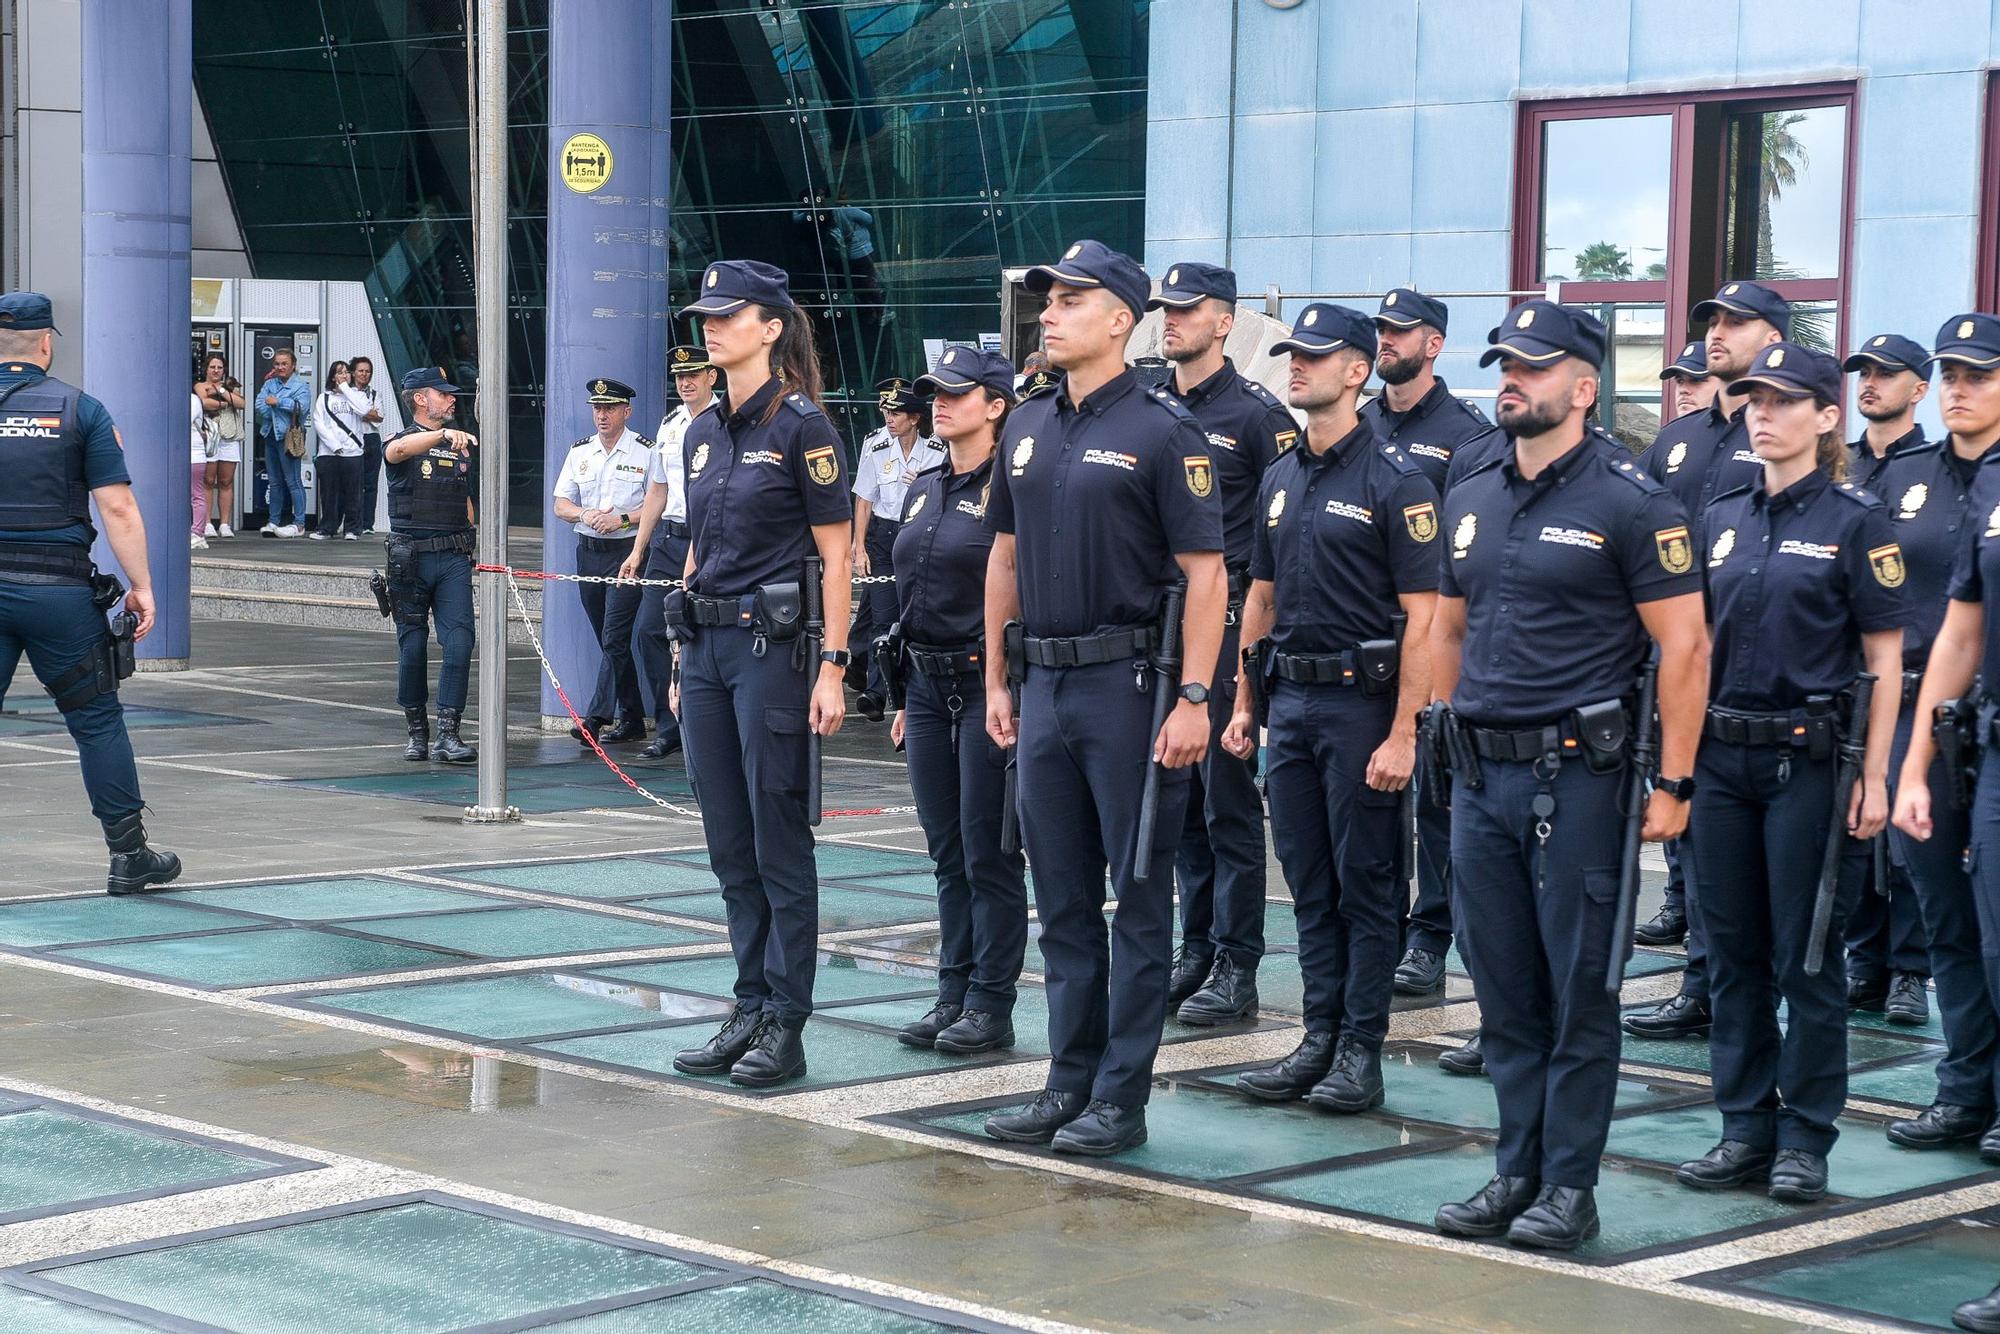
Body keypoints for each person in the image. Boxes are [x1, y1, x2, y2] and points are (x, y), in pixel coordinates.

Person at [1430, 300, 1707, 1249]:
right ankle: (1516, 1171)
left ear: (1585, 389)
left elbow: (1685, 648)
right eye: (1506, 363)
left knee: (1578, 990)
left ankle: (1569, 1189)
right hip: (1480, 779)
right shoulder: (1470, 494)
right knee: (1503, 987)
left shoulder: (1632, 502)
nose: (1513, 378)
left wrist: (1672, 786)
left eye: (1535, 367)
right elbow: (1448, 629)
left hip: (1579, 783)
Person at [980, 239, 1226, 1156]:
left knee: (1137, 894)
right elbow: (1002, 558)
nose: (1048, 312)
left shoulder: (1164, 431)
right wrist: (998, 676)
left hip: (1129, 688)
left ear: (1122, 318)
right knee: (1066, 902)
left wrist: (1195, 696)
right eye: (1047, 300)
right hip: (1043, 686)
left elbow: (1209, 576)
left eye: (1070, 300)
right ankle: (1066, 1082)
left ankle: (1120, 1098)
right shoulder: (1027, 424)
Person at [1674, 342, 1907, 1205]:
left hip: (1809, 762)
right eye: (1752, 400)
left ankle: (1804, 1138)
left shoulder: (1855, 521)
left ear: (1826, 416)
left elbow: (1885, 658)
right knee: (1732, 955)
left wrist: (1875, 778)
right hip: (1722, 761)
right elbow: (1691, 646)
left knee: (1805, 961)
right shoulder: (1722, 515)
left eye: (1780, 401)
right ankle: (1744, 1127)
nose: (1760, 413)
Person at [1222, 303, 1439, 1108]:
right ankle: (1316, 1038)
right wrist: (1246, 702)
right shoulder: (1280, 477)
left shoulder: (1397, 480)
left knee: (1367, 884)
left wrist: (1405, 732)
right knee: (1308, 881)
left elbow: (1426, 615)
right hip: (1293, 705)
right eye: (1293, 355)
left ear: (1357, 372)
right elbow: (1262, 598)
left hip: (1362, 710)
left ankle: (1360, 1050)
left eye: (1316, 356)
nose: (1298, 366)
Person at [668, 260, 852, 1089]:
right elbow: (702, 548)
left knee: (780, 843)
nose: (711, 327)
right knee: (727, 843)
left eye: (728, 315)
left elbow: (839, 554)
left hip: (771, 654)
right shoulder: (703, 430)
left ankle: (786, 1021)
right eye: (705, 315)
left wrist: (834, 666)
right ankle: (746, 1005)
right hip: (706, 652)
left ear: (771, 327)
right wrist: (681, 658)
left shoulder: (803, 426)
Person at [1624, 281, 1791, 1046]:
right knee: (1686, 818)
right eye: (1712, 322)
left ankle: (1743, 988)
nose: (1717, 333)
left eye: (1736, 322)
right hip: (1672, 661)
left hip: (1756, 671)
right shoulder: (1680, 439)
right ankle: (1700, 981)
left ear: (1776, 337)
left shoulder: (1783, 437)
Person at [1149, 261, 1292, 1026]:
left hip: (1233, 619)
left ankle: (1237, 963)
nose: (1170, 320)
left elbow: (1283, 540)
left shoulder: (1258, 418)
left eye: (1186, 309)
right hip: (1164, 623)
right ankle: (1195, 948)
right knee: (1179, 805)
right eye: (1165, 308)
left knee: (1229, 805)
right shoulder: (1148, 405)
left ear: (1225, 321)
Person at [1894, 315, 2000, 1334]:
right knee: (1949, 921)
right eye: (1950, 375)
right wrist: (1913, 752)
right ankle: (1966, 1083)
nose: (1956, 389)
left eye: (1977, 375)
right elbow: (1942, 629)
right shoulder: (1915, 478)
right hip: (1954, 729)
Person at [0, 291, 180, 893]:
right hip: (59, 593)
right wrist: (142, 587)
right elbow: (118, 508)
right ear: (46, 343)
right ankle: (129, 856)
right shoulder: (82, 411)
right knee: (97, 719)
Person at [888, 346, 1029, 1056]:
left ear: (996, 404)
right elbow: (909, 592)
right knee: (947, 853)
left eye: (955, 394)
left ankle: (990, 1003)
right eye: (933, 395)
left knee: (990, 852)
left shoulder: (1015, 486)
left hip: (986, 684)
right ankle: (952, 992)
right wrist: (899, 696)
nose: (937, 404)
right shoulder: (925, 484)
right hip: (924, 684)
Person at [1356, 288, 1491, 1007]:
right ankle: (1378, 926)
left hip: (1428, 634)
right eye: (1380, 331)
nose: (1386, 342)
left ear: (1433, 344)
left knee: (1432, 801)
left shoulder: (1465, 435)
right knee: (1366, 799)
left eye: (1399, 332)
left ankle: (1430, 938)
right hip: (1358, 639)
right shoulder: (1361, 421)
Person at [1840, 333, 1934, 1020]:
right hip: (1844, 679)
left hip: (1915, 675)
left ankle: (1909, 967)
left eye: (1885, 374)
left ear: (1919, 389)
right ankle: (1865, 961)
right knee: (1851, 823)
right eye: (1863, 373)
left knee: (1904, 834)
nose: (1869, 383)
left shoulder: (1935, 470)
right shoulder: (1836, 466)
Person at [621, 344, 719, 761]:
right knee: (648, 631)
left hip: (712, 539)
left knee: (705, 634)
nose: (685, 383)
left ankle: (704, 719)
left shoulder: (727, 420)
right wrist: (638, 550)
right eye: (680, 377)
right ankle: (669, 724)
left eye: (693, 374)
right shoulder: (670, 424)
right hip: (669, 538)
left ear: (712, 376)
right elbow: (657, 490)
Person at [382, 366, 479, 766]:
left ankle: (448, 733)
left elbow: (464, 497)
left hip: (453, 557)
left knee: (459, 642)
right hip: (411, 559)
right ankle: (416, 731)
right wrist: (441, 436)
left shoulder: (457, 445)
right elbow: (396, 452)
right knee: (413, 645)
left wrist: (474, 539)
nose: (452, 399)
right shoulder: (403, 440)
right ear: (421, 399)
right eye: (443, 394)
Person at [553, 377, 651, 747]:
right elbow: (561, 504)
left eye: (610, 408)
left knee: (614, 636)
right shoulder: (580, 451)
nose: (602, 415)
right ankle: (632, 717)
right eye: (597, 408)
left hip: (628, 554)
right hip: (589, 553)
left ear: (626, 411)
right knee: (609, 640)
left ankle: (595, 718)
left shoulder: (645, 451)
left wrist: (622, 520)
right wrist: (587, 513)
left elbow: (656, 505)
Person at [850, 376, 945, 720]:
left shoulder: (936, 451)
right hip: (883, 536)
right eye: (887, 412)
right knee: (882, 617)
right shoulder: (875, 447)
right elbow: (863, 499)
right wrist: (858, 547)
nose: (889, 418)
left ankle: (911, 684)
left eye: (897, 413)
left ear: (915, 418)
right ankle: (878, 691)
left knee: (915, 612)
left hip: (920, 534)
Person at [255, 348, 311, 537]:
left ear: (293, 365)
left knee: (293, 480)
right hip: (270, 435)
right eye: (277, 364)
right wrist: (278, 406)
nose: (280, 367)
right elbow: (260, 405)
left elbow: (302, 408)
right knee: (275, 481)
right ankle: (273, 521)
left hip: (289, 438)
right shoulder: (269, 383)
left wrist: (277, 402)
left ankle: (300, 523)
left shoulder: (301, 386)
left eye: (284, 364)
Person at [310, 360, 368, 541]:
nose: (344, 375)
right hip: (329, 453)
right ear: (333, 377)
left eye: (346, 372)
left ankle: (352, 529)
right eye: (340, 373)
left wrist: (347, 390)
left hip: (353, 452)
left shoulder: (357, 395)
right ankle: (327, 528)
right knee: (329, 493)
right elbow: (319, 423)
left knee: (353, 492)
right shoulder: (324, 398)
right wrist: (335, 445)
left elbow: (364, 410)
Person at [195, 354, 244, 538]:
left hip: (229, 437)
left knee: (226, 481)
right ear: (206, 369)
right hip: (209, 436)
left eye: (220, 367)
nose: (216, 371)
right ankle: (207, 523)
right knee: (207, 481)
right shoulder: (200, 385)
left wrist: (219, 390)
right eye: (212, 367)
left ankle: (224, 523)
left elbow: (241, 403)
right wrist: (225, 402)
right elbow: (204, 402)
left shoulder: (229, 387)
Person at [350, 355, 390, 535]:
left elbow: (379, 417)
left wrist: (362, 413)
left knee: (371, 484)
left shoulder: (375, 394)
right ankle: (353, 523)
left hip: (372, 439)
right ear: (353, 372)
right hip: (353, 438)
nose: (364, 374)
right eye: (361, 371)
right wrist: (368, 412)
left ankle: (367, 524)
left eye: (368, 371)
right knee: (353, 484)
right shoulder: (347, 394)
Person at [1661, 340, 1719, 427]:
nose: (1683, 390)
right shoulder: (1667, 437)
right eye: (1680, 381)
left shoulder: (1743, 435)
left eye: (1696, 380)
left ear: (1723, 385)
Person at [189, 390, 211, 549]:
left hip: (194, 455)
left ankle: (198, 532)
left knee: (197, 494)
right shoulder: (193, 399)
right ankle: (195, 531)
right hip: (186, 455)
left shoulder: (193, 400)